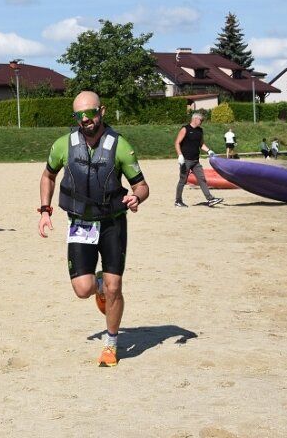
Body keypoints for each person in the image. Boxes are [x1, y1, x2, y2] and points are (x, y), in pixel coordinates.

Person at [38, 91, 149, 368]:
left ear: (103, 111)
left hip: (113, 222)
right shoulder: (63, 145)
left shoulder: (120, 146)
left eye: (91, 112)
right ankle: (97, 284)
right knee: (82, 289)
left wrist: (137, 197)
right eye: (79, 115)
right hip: (81, 223)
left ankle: (110, 344)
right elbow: (48, 175)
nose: (86, 119)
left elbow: (142, 185)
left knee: (115, 287)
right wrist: (44, 210)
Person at [174, 112, 224, 208]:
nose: (202, 122)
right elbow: (177, 143)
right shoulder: (185, 129)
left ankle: (210, 199)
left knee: (202, 179)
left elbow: (201, 144)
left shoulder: (200, 131)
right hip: (185, 160)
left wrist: (209, 151)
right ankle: (178, 201)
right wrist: (180, 155)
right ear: (195, 119)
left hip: (195, 161)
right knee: (183, 180)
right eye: (201, 120)